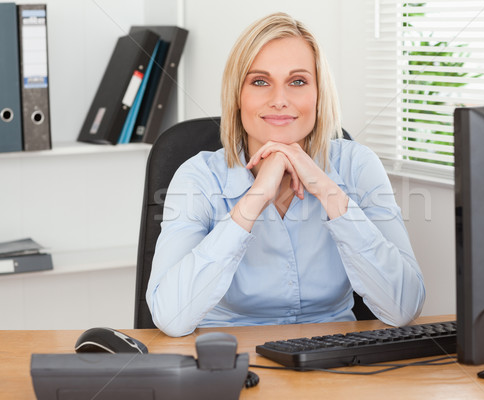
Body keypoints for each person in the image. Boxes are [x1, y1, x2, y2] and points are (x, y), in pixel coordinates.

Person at [147, 12, 425, 337]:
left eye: (297, 82)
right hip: (231, 359)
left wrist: (326, 190)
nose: (279, 100)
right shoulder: (197, 177)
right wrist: (253, 201)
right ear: (237, 96)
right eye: (260, 81)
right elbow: (171, 317)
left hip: (333, 361)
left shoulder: (358, 166)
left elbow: (404, 308)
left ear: (319, 95)